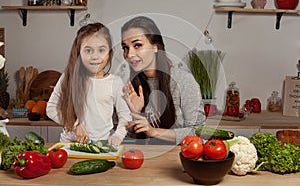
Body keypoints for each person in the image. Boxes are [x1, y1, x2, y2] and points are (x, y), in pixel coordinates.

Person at [121, 16, 206, 145]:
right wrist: (135, 115)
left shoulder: (183, 81)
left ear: (155, 47)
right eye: (125, 47)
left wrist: (154, 131)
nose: (129, 54)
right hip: (146, 156)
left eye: (137, 45)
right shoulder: (131, 85)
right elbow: (130, 135)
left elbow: (199, 131)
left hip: (179, 156)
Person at [47, 23, 131, 146]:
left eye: (101, 50)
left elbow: (125, 115)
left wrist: (118, 135)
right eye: (88, 50)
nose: (95, 57)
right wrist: (75, 125)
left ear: (109, 53)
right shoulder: (68, 77)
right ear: (79, 53)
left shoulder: (115, 82)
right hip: (69, 145)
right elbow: (51, 108)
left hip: (100, 147)